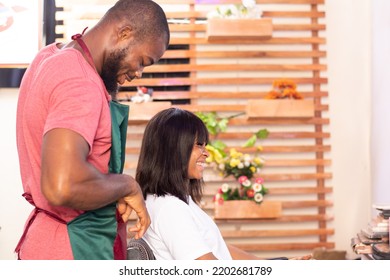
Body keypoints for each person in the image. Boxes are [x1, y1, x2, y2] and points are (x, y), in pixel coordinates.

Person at [15, 0, 170, 260]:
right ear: (124, 33)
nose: (140, 73)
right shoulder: (80, 81)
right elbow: (62, 187)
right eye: (143, 60)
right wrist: (127, 185)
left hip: (44, 242)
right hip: (72, 249)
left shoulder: (50, 56)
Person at [136, 108, 312, 260]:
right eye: (198, 145)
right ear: (173, 148)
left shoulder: (176, 202)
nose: (205, 153)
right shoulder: (170, 207)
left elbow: (217, 249)